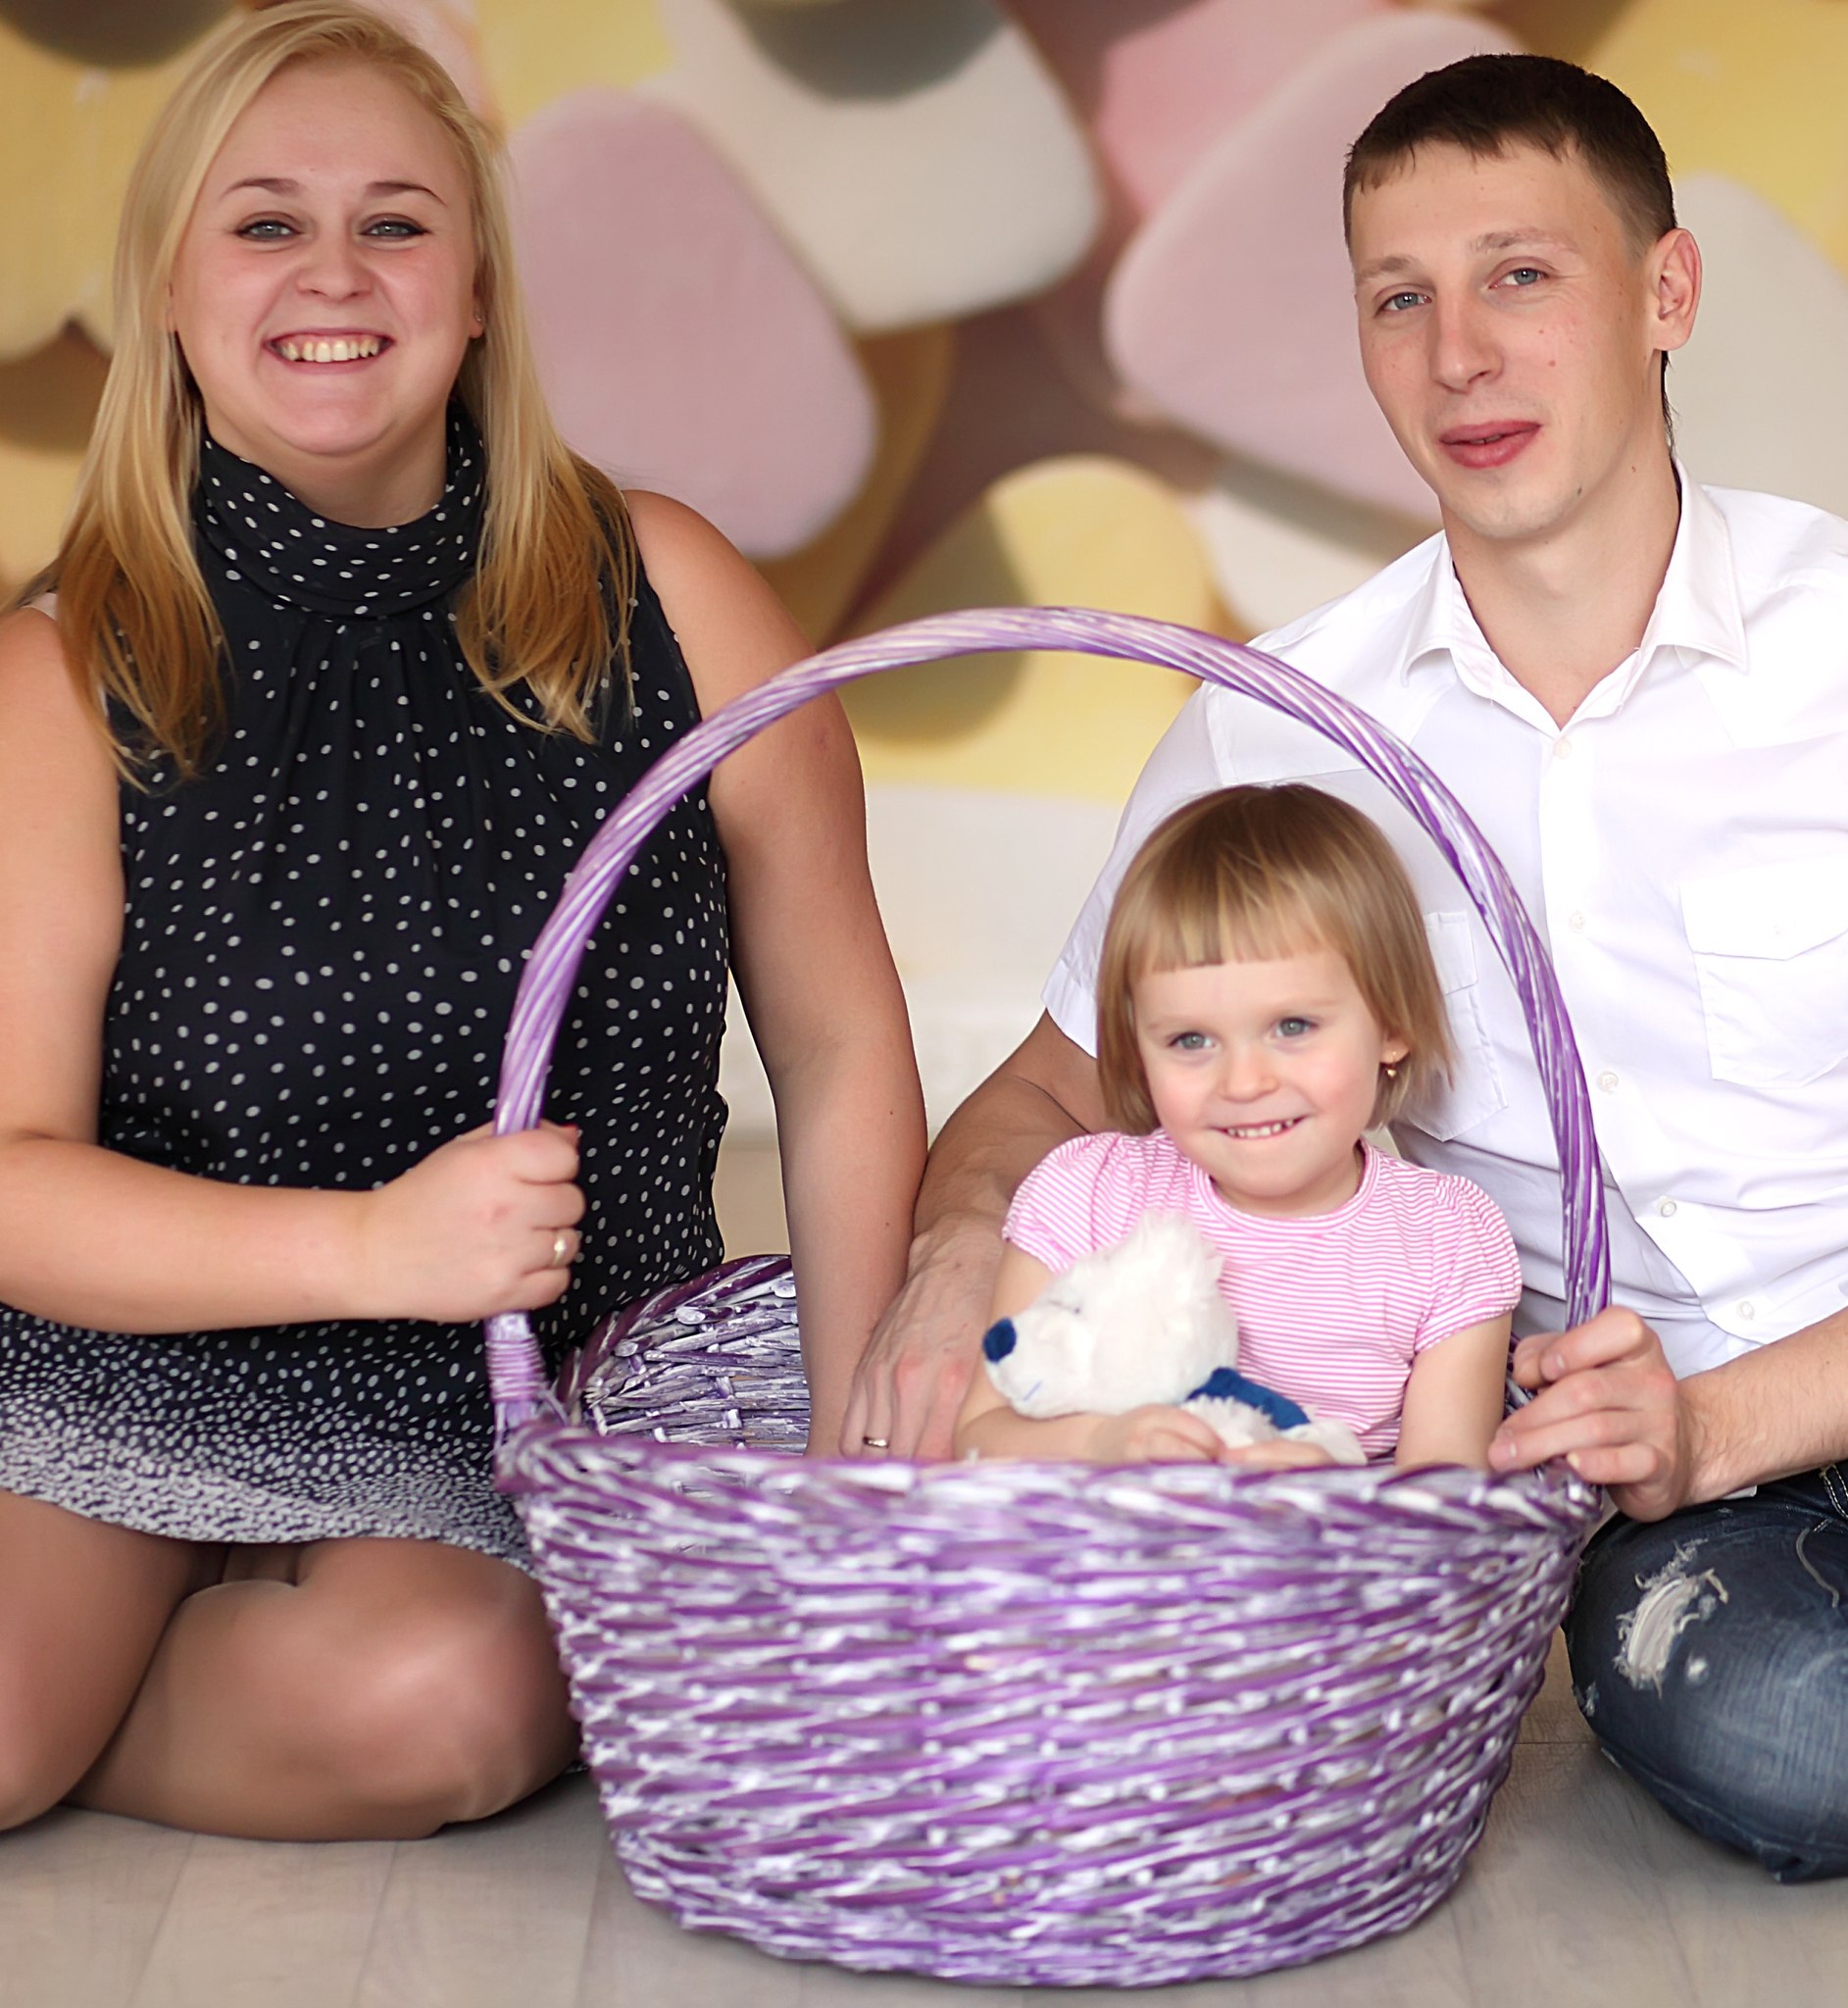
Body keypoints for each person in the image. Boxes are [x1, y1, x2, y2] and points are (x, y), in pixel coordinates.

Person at [845, 52, 1848, 1881]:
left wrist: (1726, 1419)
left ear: (1668, 293)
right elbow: (1050, 1089)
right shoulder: (1278, 723)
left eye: (1520, 274)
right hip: (1653, 1498)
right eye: (1401, 299)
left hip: (1765, 1400)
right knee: (1791, 1732)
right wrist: (948, 1262)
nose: (1459, 354)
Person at [0, 2, 924, 1841]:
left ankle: (114, 1689)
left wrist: (859, 1459)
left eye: (396, 222)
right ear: (168, 287)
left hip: (515, 1394)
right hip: (129, 1349)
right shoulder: (61, 669)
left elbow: (837, 1050)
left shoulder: (674, 590)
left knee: (445, 1705)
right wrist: (371, 1243)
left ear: (481, 288)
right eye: (266, 223)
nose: (333, 273)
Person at [953, 784, 1519, 1469]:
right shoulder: (1086, 1195)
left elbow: (1445, 1499)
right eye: (1190, 1040)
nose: (1243, 1083)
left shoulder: (1446, 1238)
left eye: (1292, 1026)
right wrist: (1099, 1443)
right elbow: (981, 1435)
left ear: (1392, 1026)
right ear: (1137, 1049)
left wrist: (1318, 1501)